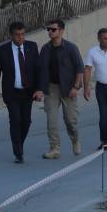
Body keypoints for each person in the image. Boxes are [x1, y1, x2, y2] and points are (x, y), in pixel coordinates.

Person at [0, 21, 42, 164]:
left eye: (23, 34)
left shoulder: (32, 47)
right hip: (11, 93)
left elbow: (38, 69)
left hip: (28, 92)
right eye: (17, 35)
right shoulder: (2, 51)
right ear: (11, 35)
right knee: (16, 120)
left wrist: (39, 89)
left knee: (26, 121)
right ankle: (18, 152)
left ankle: (19, 143)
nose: (21, 38)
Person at [36, 18, 85, 159]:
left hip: (69, 88)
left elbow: (79, 69)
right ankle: (54, 148)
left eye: (53, 29)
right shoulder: (45, 49)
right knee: (51, 119)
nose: (50, 32)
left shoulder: (71, 48)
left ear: (61, 31)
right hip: (51, 88)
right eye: (48, 29)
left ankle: (75, 140)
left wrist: (76, 87)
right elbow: (41, 70)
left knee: (70, 120)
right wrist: (40, 89)